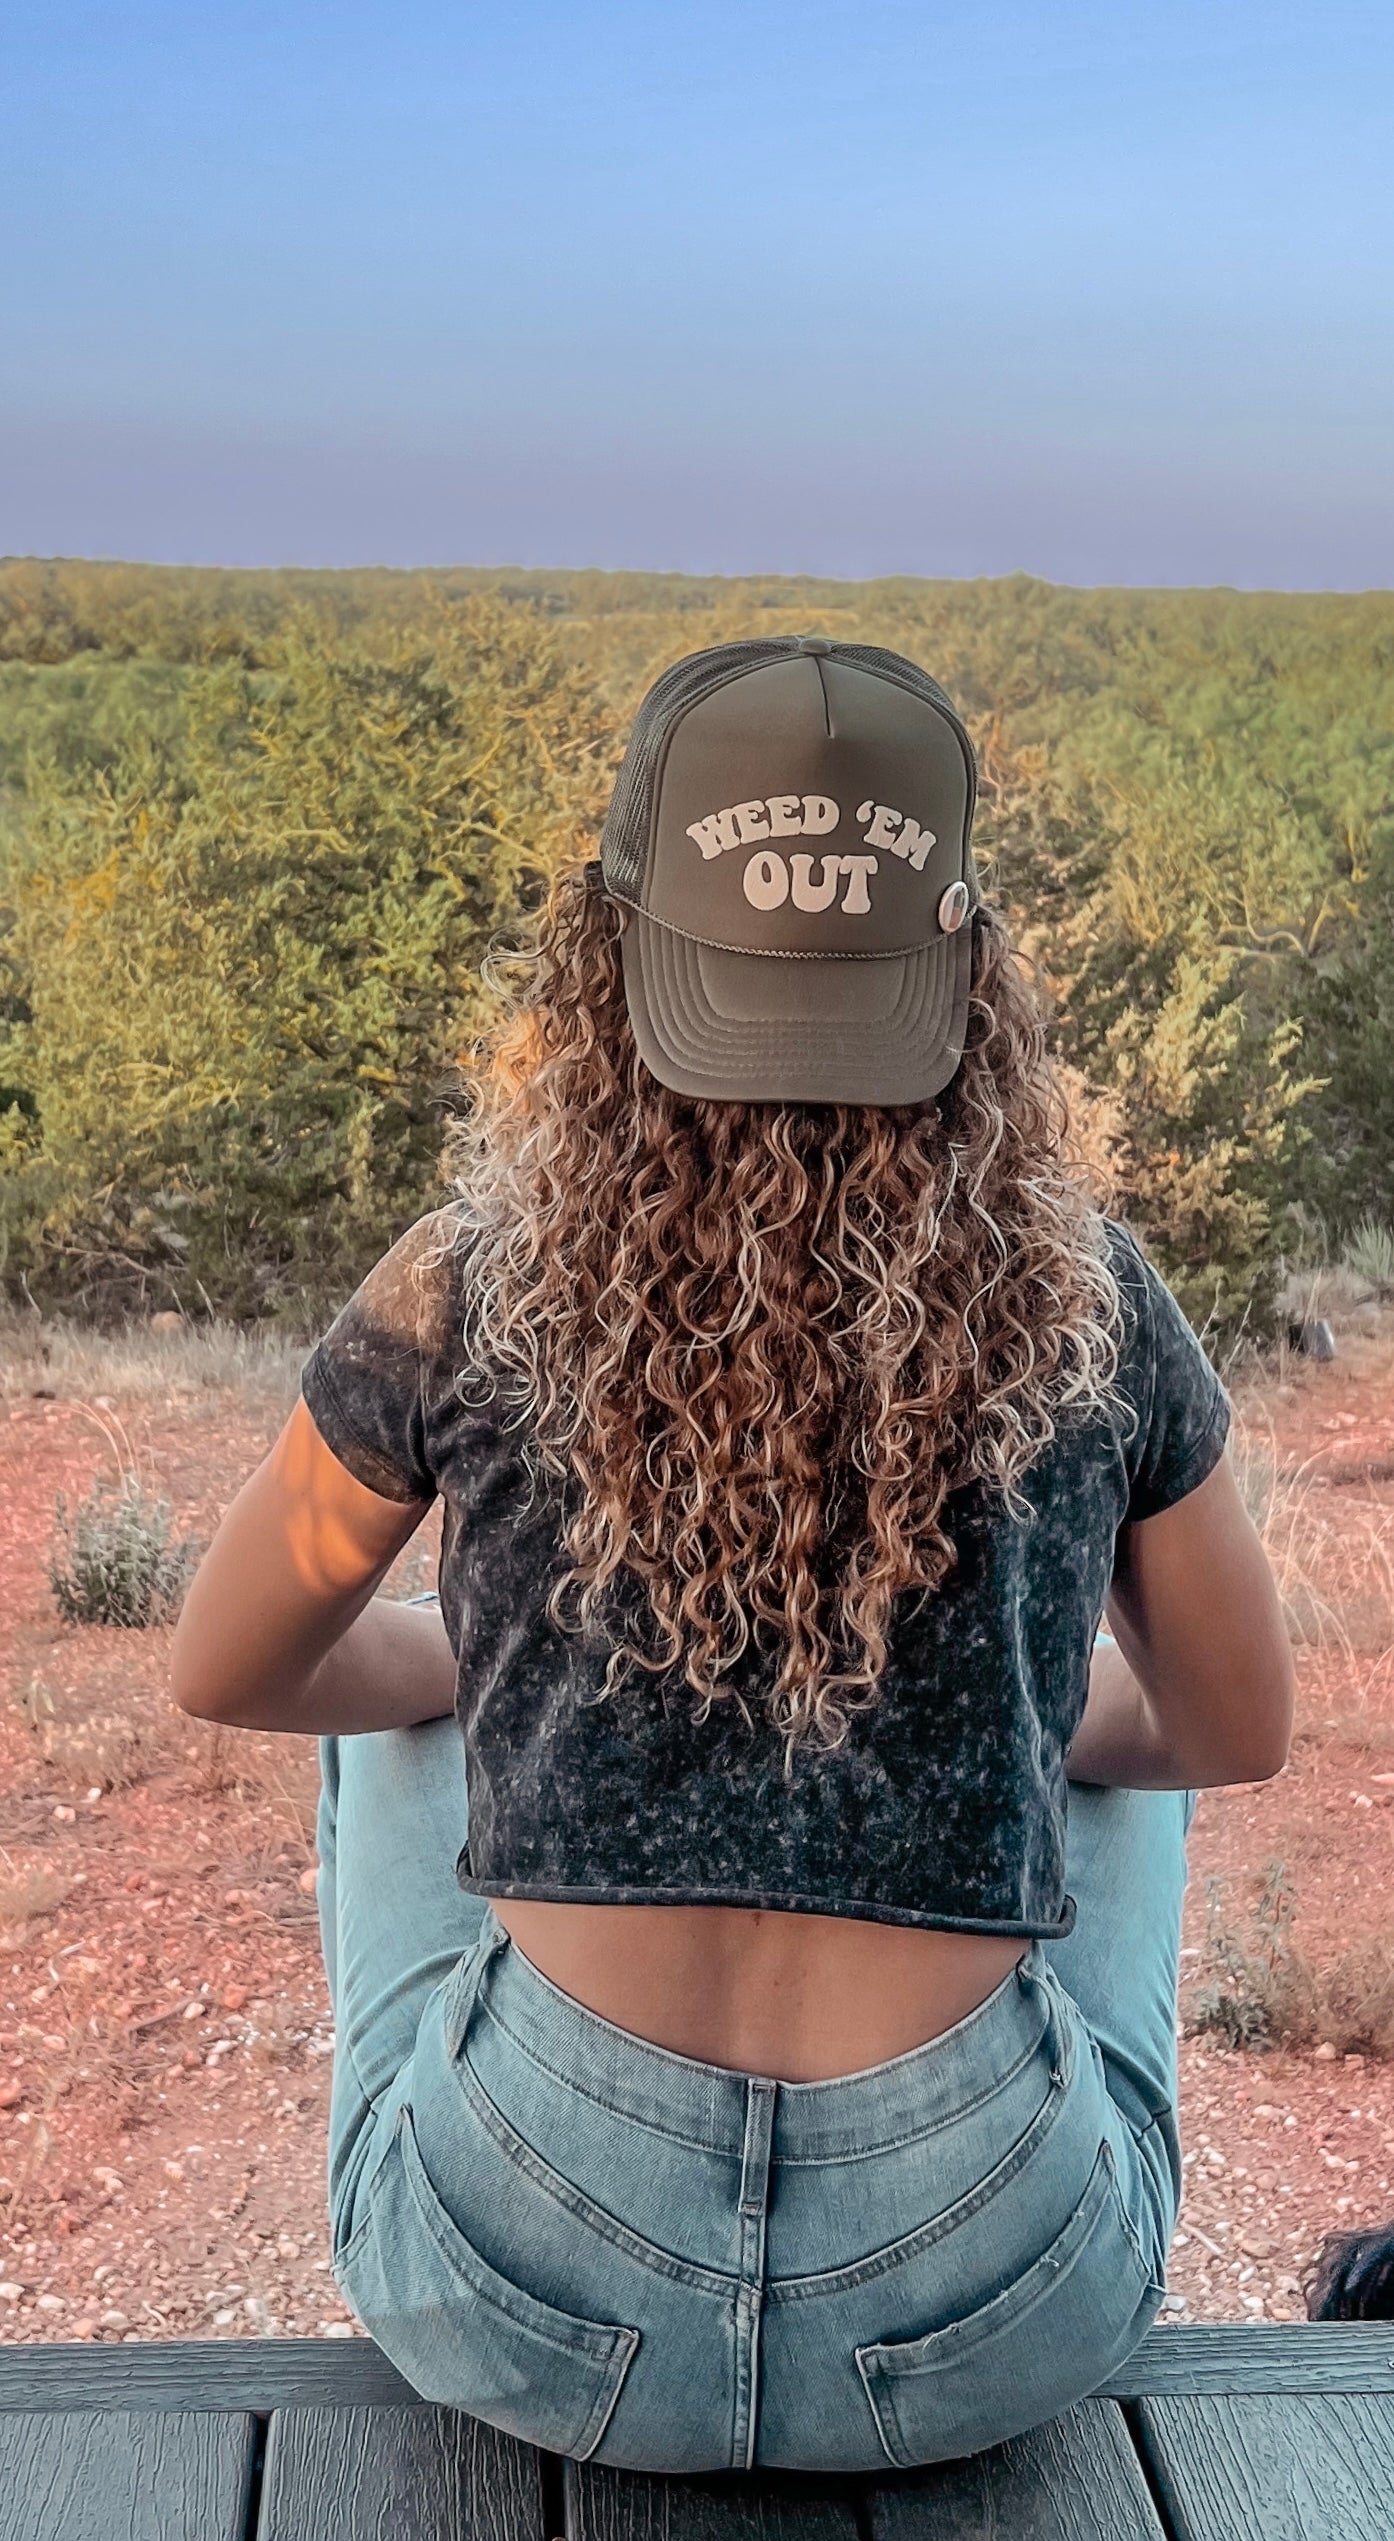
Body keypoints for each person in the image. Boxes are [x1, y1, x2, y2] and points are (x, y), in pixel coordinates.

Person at [171, 635, 1294, 2474]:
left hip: (512, 2284)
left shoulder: (468, 1287)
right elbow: (1234, 1726)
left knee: (380, 1695)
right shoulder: (1092, 1297)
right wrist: (1005, 1714)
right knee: (1123, 1744)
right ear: (961, 960)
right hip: (988, 2314)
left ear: (608, 950)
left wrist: (477, 1658)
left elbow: (226, 1665)